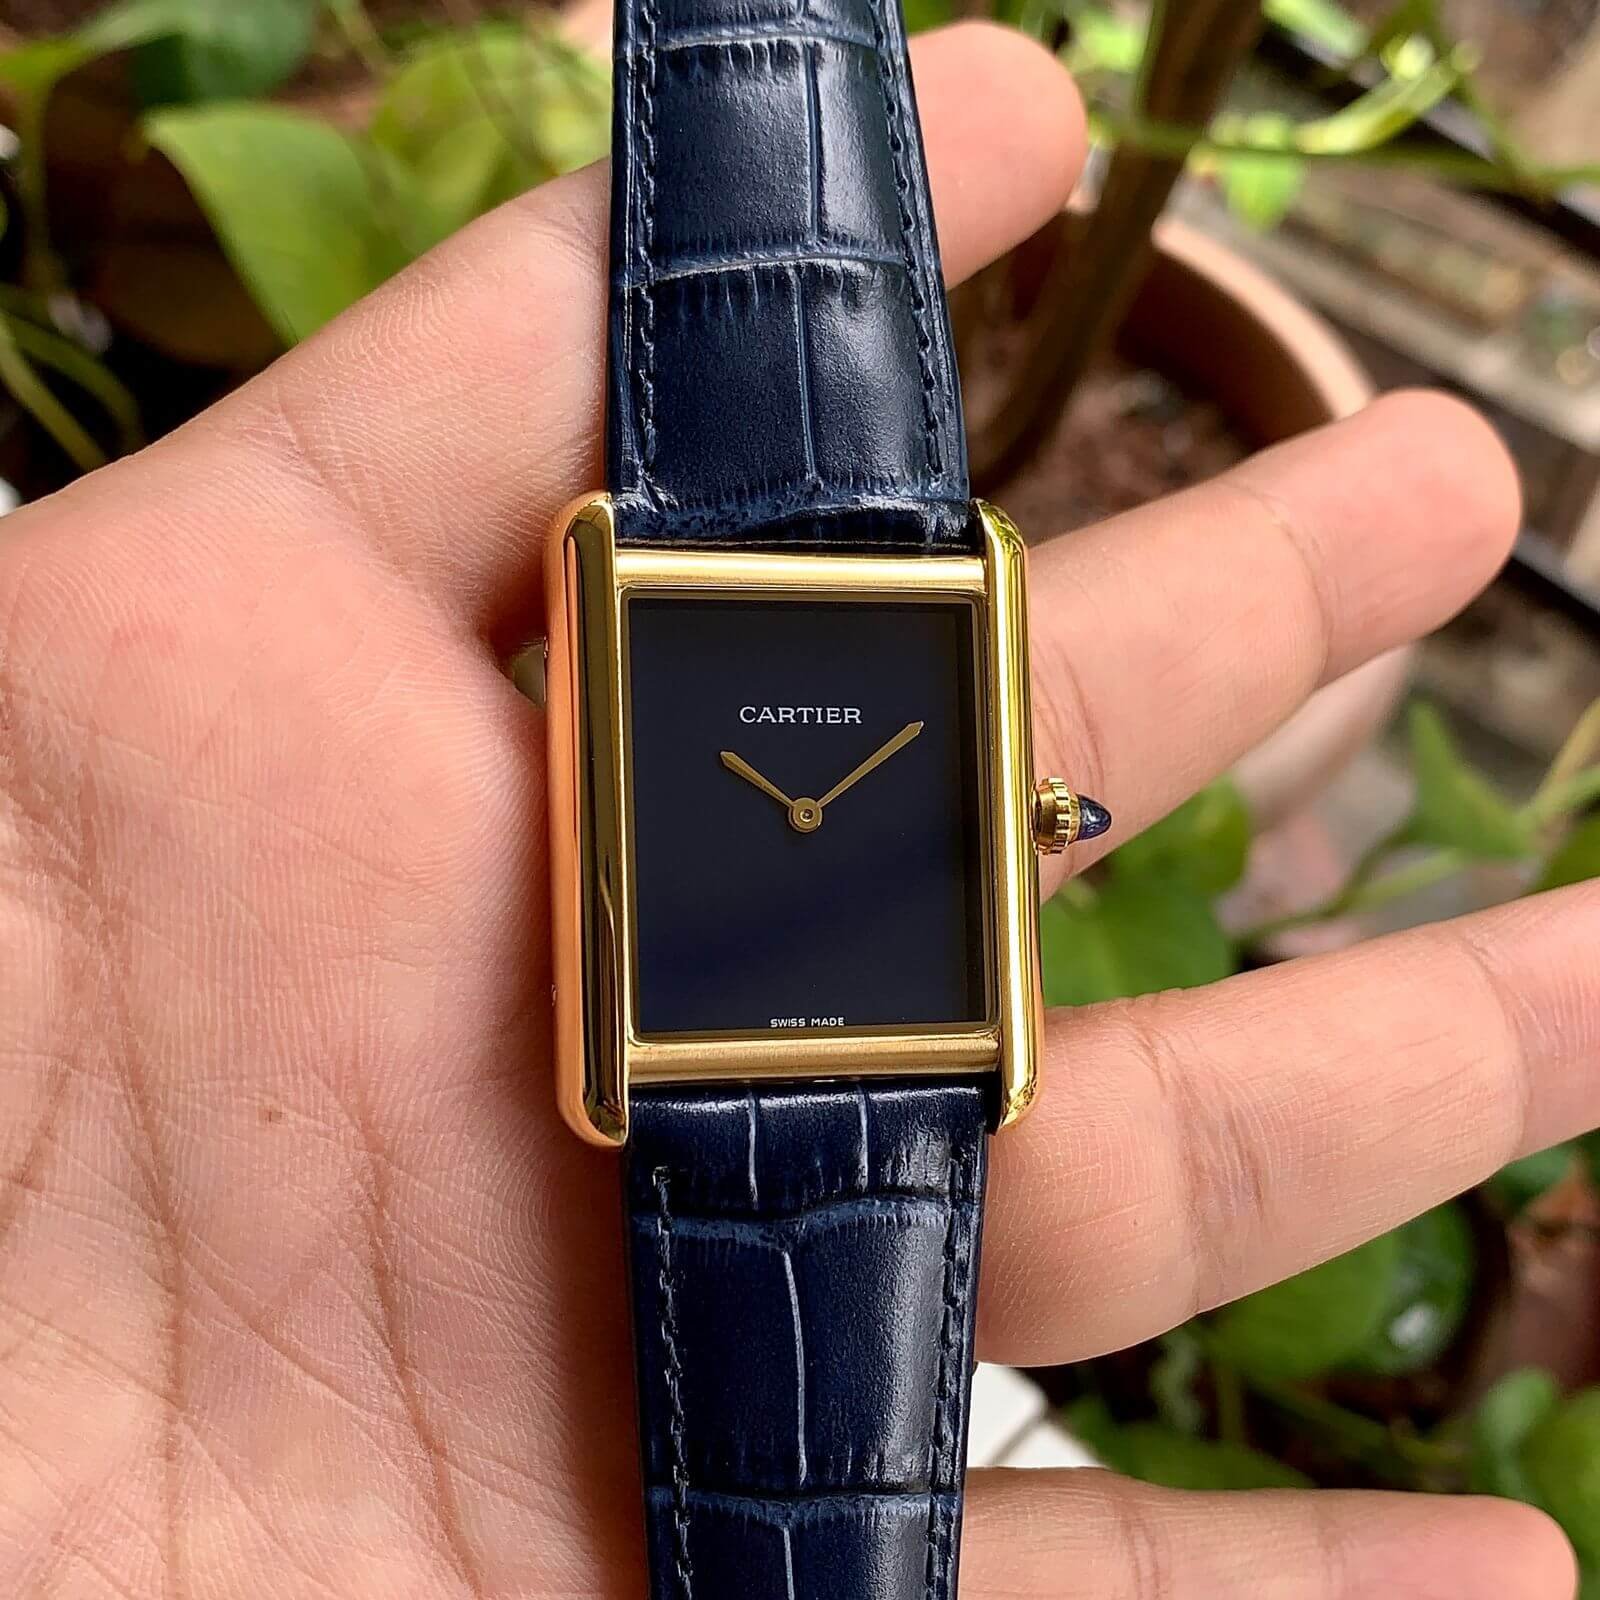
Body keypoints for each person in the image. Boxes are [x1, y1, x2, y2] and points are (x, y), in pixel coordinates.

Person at [0, 22, 1592, 1598]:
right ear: (1045, 814)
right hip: (752, 1091)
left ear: (1033, 810)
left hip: (812, 1084)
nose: (805, 807)